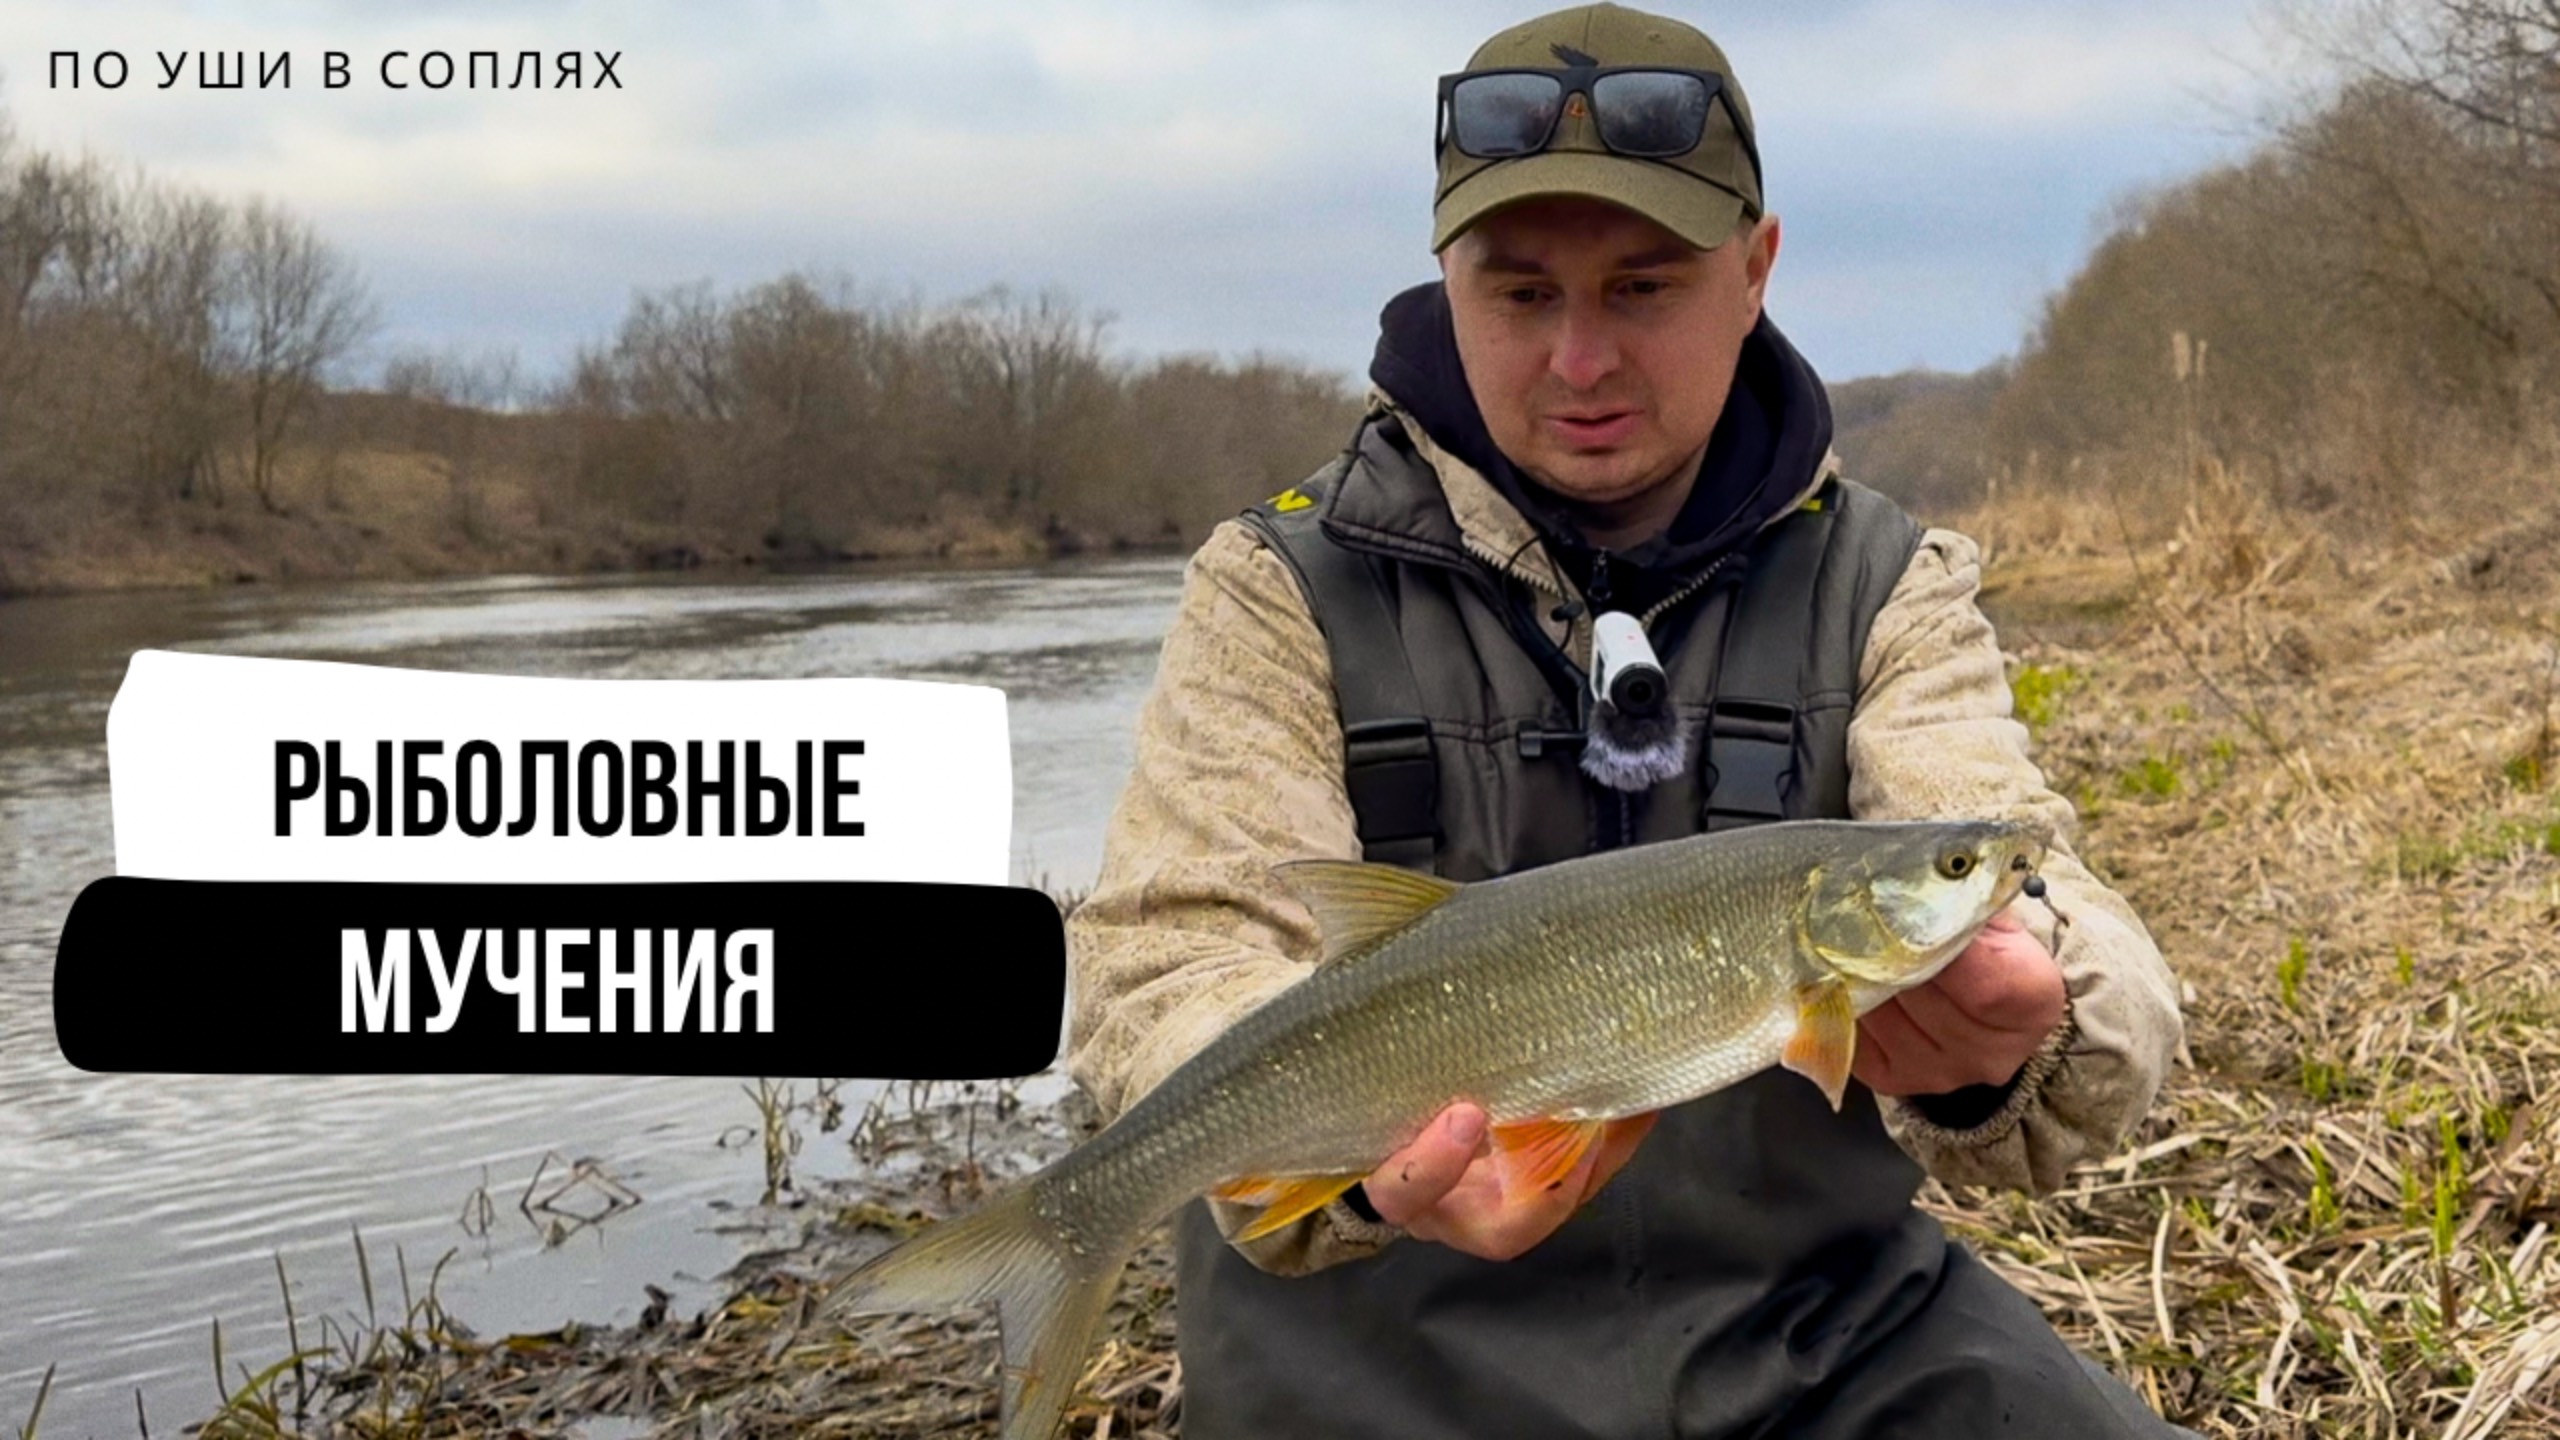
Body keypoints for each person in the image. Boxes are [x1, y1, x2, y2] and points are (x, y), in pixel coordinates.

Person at [1065, 3, 2189, 1435]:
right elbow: (1171, 959)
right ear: (1447, 281)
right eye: (1522, 294)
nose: (1581, 360)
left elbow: (2047, 890)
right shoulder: (1276, 584)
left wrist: (2027, 1035)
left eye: (1644, 289)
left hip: (1815, 1340)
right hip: (1371, 1372)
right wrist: (1353, 1149)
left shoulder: (1887, 582)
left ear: (1754, 271)